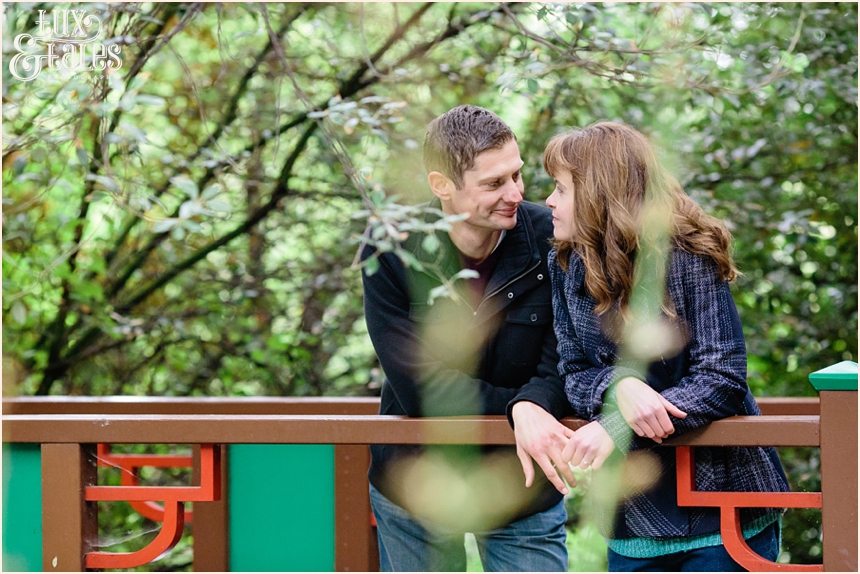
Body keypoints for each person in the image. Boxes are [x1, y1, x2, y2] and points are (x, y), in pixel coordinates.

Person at [543, 121, 790, 571]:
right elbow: (574, 371)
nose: (549, 202)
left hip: (723, 510)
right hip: (632, 519)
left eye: (560, 189)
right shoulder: (566, 263)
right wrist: (619, 388)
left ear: (600, 195)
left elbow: (722, 377)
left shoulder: (686, 255)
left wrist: (620, 424)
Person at [360, 105, 574, 571]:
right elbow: (422, 388)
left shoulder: (551, 236)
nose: (516, 193)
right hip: (417, 484)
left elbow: (566, 360)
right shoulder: (390, 246)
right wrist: (521, 406)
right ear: (442, 186)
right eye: (494, 183)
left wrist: (535, 401)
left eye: (517, 175)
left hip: (522, 484)